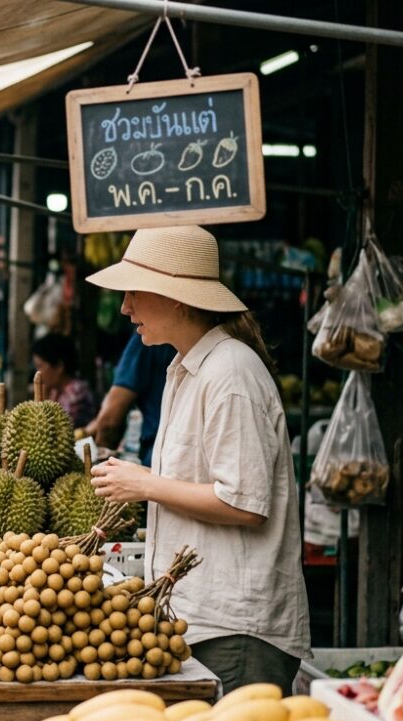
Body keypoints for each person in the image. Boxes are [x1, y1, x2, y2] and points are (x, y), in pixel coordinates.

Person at [87, 225, 311, 692]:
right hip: (199, 617)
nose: (125, 307)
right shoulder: (186, 370)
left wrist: (146, 485)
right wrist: (144, 480)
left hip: (236, 629)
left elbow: (246, 504)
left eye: (135, 293)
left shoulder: (229, 373)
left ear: (177, 299)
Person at [84, 331, 174, 467]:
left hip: (156, 456)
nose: (126, 310)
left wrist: (100, 465)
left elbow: (110, 419)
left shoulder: (146, 338)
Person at [31, 333, 97, 428]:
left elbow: (57, 430)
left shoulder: (76, 392)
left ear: (59, 367)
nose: (37, 372)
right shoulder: (55, 391)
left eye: (40, 366)